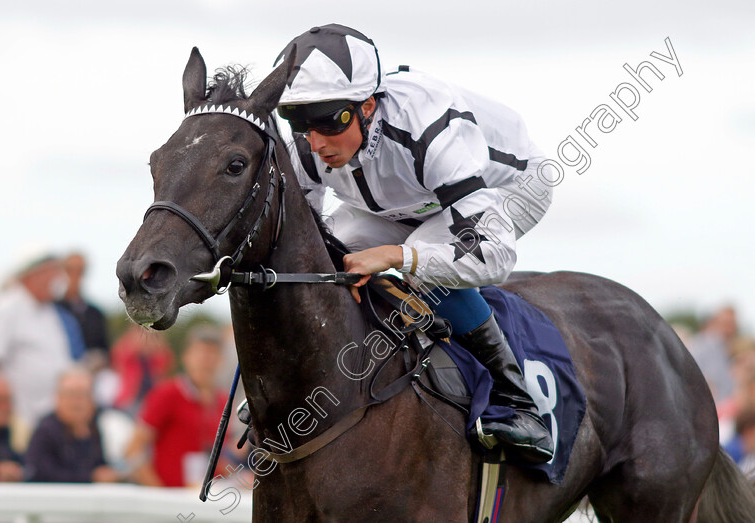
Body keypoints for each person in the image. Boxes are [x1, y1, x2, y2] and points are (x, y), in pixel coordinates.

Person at [274, 24, 553, 462]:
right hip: (401, 204)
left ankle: (521, 404)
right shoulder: (307, 143)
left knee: (423, 267)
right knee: (321, 266)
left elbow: (491, 255)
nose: (317, 141)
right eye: (300, 123)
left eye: (331, 120)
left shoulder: (427, 123)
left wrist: (395, 256)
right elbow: (303, 237)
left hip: (510, 188)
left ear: (367, 105)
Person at [0, 253, 83, 428]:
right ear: (34, 275)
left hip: (53, 417)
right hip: (20, 418)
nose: (58, 279)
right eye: (52, 273)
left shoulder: (52, 311)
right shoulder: (7, 307)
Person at [124, 325, 229, 487]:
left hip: (205, 499)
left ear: (221, 360)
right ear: (186, 357)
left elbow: (217, 457)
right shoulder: (167, 393)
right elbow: (133, 449)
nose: (206, 361)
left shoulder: (223, 401)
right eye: (200, 353)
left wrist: (240, 476)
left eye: (212, 354)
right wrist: (158, 493)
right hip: (171, 500)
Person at [24, 367, 120, 483]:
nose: (77, 402)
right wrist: (91, 478)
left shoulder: (94, 428)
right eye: (71, 394)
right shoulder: (45, 431)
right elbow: (41, 474)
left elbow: (100, 465)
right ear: (58, 398)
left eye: (83, 395)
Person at [58, 252, 110, 355]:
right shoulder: (53, 310)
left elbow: (104, 350)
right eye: (70, 270)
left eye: (80, 270)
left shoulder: (95, 313)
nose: (75, 275)